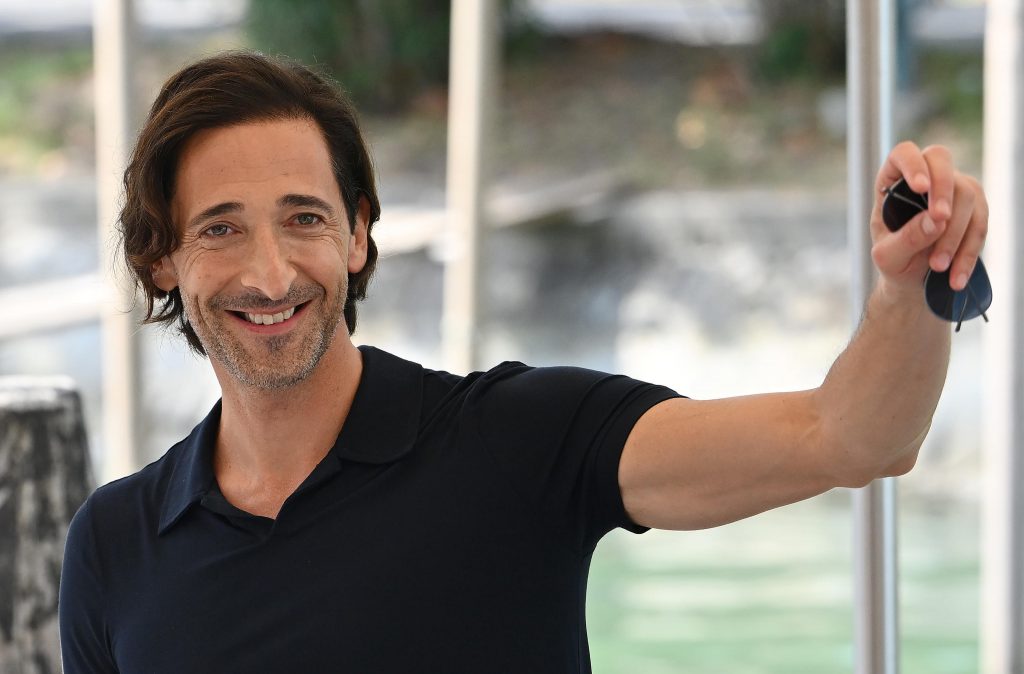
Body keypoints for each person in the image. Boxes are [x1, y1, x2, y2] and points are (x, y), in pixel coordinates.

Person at [58, 51, 988, 673]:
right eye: (221, 229)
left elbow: (850, 435)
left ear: (359, 233)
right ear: (161, 258)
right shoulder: (114, 545)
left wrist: (909, 284)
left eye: (304, 218)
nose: (270, 274)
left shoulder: (516, 441)